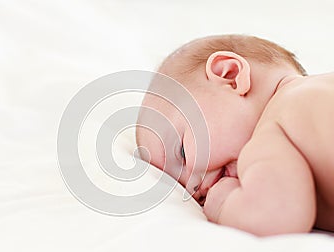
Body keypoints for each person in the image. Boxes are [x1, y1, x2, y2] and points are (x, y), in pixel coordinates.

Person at [135, 34, 334, 236]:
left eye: (183, 153)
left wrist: (223, 205)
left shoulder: (273, 129)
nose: (195, 188)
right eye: (187, 190)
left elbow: (275, 215)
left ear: (230, 76)